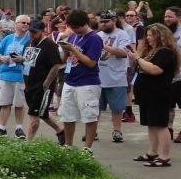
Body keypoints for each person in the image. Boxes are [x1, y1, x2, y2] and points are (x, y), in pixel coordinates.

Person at [128, 23, 181, 167]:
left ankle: (165, 156)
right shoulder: (152, 51)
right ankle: (152, 152)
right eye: (147, 35)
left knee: (160, 125)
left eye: (151, 35)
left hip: (158, 93)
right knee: (151, 124)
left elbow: (155, 70)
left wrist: (138, 58)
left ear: (160, 36)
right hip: (147, 93)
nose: (148, 38)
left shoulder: (165, 52)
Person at [58, 9, 103, 153]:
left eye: (78, 27)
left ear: (86, 23)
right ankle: (68, 145)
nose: (76, 30)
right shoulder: (73, 36)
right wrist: (65, 50)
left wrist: (74, 50)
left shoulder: (94, 38)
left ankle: (87, 148)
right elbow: (64, 60)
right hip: (70, 80)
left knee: (89, 115)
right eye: (73, 28)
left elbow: (91, 62)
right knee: (67, 115)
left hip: (87, 82)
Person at [21, 18, 65, 143]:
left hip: (42, 86)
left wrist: (46, 85)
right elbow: (25, 62)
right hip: (29, 84)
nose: (32, 34)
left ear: (43, 31)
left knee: (33, 114)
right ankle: (61, 131)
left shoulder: (49, 45)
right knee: (42, 112)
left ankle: (28, 143)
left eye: (35, 32)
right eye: (30, 32)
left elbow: (56, 65)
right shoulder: (28, 43)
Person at [96, 10, 131, 143]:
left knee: (117, 108)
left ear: (114, 21)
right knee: (96, 107)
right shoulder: (98, 35)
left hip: (116, 77)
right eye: (102, 22)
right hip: (98, 77)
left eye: (106, 21)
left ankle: (117, 131)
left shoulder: (123, 35)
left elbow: (123, 52)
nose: (103, 24)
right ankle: (93, 131)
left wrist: (104, 46)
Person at [0, 15, 31, 137]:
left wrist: (21, 59)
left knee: (19, 104)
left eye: (27, 23)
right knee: (5, 103)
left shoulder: (30, 40)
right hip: (5, 74)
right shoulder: (8, 38)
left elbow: (32, 60)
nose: (26, 25)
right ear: (16, 24)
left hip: (20, 75)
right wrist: (2, 58)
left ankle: (19, 128)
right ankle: (2, 127)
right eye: (23, 22)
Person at [164, 5, 181, 142]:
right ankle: (168, 129)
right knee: (169, 105)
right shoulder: (164, 33)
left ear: (179, 18)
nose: (167, 19)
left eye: (170, 16)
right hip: (168, 76)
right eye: (165, 16)